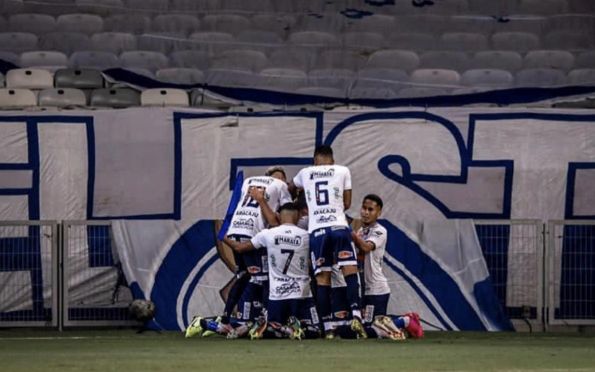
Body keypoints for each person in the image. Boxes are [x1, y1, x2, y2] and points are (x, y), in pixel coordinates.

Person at [185, 166, 291, 338]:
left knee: (244, 275)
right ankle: (263, 320)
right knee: (263, 278)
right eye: (280, 178)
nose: (281, 181)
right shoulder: (280, 187)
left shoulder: (249, 182)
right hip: (254, 235)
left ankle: (225, 320)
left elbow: (236, 205)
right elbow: (278, 222)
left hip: (236, 230)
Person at [292, 145, 366, 339]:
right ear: (332, 160)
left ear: (314, 160)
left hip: (318, 231)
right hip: (339, 227)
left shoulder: (305, 173)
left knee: (322, 278)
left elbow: (292, 187)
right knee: (350, 271)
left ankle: (328, 326)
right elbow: (347, 203)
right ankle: (356, 315)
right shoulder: (342, 170)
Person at [224, 202, 320, 340]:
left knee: (270, 332)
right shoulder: (307, 235)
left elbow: (239, 248)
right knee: (315, 331)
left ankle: (278, 327)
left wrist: (223, 236)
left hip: (277, 297)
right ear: (299, 216)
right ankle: (291, 327)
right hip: (302, 295)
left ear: (278, 216)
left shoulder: (267, 234)